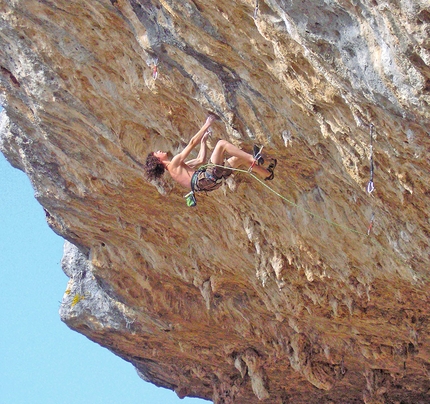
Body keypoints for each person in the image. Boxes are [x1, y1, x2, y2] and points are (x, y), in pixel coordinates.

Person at [144, 114, 276, 196]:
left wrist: (203, 142)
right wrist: (207, 123)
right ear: (158, 161)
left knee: (237, 160)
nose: (160, 151)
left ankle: (267, 174)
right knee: (221, 144)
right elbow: (191, 143)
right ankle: (254, 158)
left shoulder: (175, 171)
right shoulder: (174, 163)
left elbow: (200, 160)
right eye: (157, 153)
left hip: (211, 183)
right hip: (207, 177)